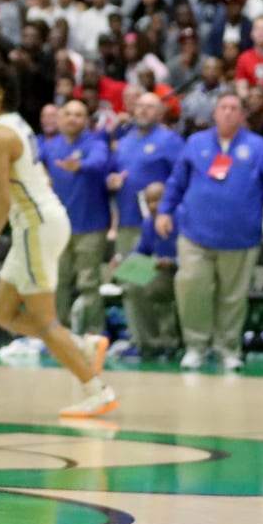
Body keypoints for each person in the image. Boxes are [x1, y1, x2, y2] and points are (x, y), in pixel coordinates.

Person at [0, 59, 117, 417]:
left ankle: (97, 389)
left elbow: (1, 200)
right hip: (38, 222)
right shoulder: (13, 125)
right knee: (2, 312)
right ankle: (82, 345)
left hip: (35, 225)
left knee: (45, 320)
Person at [156, 92, 263, 372]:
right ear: (215, 113)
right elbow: (176, 182)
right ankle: (195, 346)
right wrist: (165, 211)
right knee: (191, 286)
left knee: (233, 297)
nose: (228, 113)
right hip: (195, 233)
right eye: (223, 108)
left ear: (242, 115)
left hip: (241, 237)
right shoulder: (195, 143)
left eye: (234, 108)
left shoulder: (259, 147)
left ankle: (228, 348)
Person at [108, 92, 184, 359]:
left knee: (160, 285)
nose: (142, 111)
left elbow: (181, 179)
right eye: (139, 106)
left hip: (162, 225)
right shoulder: (125, 142)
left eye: (149, 107)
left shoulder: (170, 141)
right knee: (130, 282)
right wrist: (112, 181)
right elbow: (112, 172)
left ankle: (166, 340)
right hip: (129, 223)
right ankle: (141, 341)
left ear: (161, 112)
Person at [40, 100, 111, 335]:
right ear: (60, 118)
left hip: (90, 226)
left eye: (78, 115)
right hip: (58, 228)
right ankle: (59, 332)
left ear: (86, 120)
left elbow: (99, 162)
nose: (72, 118)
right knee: (57, 282)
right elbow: (33, 161)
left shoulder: (95, 143)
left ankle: (93, 333)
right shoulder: (51, 146)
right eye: (68, 114)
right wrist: (42, 173)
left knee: (89, 283)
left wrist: (79, 165)